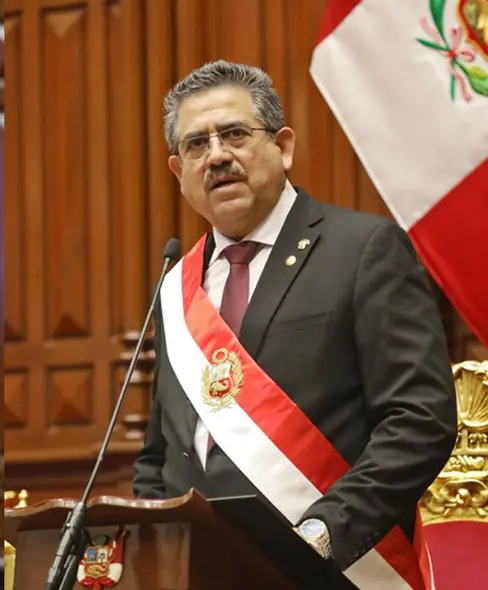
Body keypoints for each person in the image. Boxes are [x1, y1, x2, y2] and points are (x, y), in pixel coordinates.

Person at [132, 60, 456, 589]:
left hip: (332, 568)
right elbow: (160, 454)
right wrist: (152, 546)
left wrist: (326, 533)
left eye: (235, 134)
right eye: (196, 145)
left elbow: (419, 420)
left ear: (282, 147)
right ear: (179, 172)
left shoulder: (363, 251)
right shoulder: (174, 289)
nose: (216, 156)